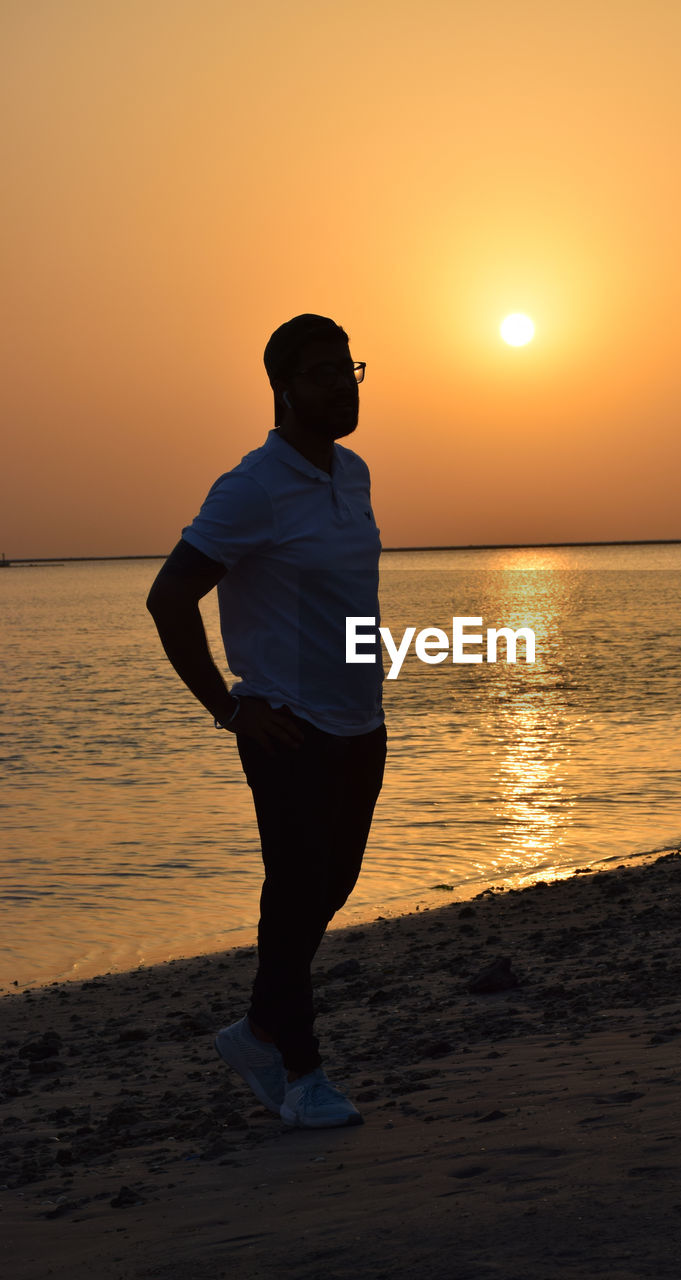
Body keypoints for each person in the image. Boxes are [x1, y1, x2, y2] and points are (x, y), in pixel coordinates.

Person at [146, 314, 386, 1130]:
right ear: (281, 388)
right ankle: (302, 1076)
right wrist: (227, 706)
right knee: (294, 894)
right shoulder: (252, 486)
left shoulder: (351, 474)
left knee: (331, 887)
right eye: (319, 372)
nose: (339, 384)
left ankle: (254, 1030)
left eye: (347, 368)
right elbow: (170, 597)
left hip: (361, 722)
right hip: (287, 728)